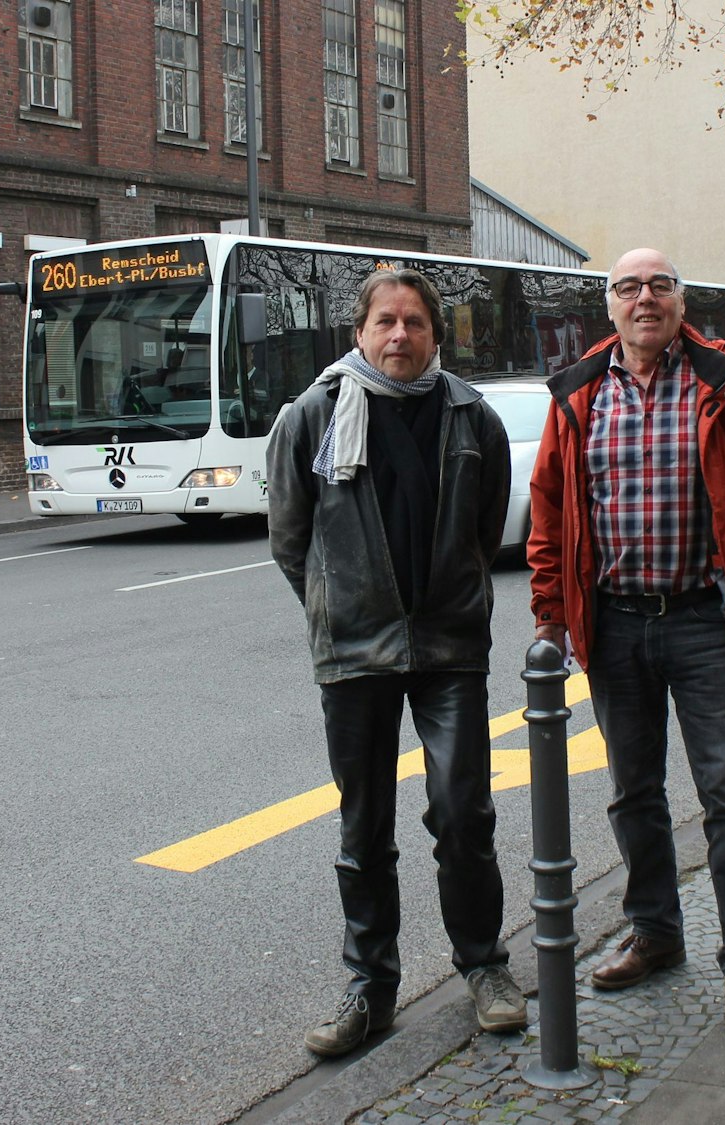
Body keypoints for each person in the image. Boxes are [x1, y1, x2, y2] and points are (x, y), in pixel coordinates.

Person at [527, 248, 725, 1038]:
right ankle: (655, 932)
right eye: (629, 287)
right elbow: (550, 507)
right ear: (611, 306)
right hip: (615, 622)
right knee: (632, 791)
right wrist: (551, 610)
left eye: (660, 285)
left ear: (681, 301)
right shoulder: (582, 389)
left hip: (701, 619)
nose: (645, 298)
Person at [267, 268, 527, 1058]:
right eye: (385, 320)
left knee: (462, 814)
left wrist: (449, 596)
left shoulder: (471, 418)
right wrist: (338, 604)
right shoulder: (312, 416)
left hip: (449, 648)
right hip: (355, 651)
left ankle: (485, 967)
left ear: (435, 336)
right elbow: (291, 538)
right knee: (362, 825)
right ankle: (368, 988)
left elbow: (485, 537)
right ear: (360, 332)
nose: (399, 335)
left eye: (415, 322)